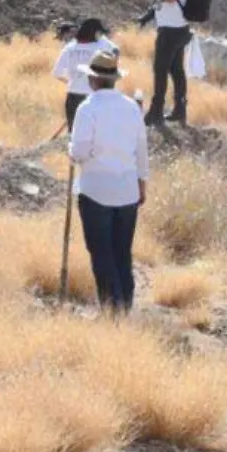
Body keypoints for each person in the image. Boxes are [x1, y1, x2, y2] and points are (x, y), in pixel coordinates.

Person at [67, 50, 149, 314]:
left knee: (102, 253)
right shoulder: (131, 108)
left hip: (95, 191)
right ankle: (125, 306)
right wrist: (142, 184)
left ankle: (110, 310)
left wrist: (72, 151)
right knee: (122, 252)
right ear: (113, 78)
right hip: (127, 190)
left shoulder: (87, 108)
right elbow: (141, 149)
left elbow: (79, 152)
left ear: (92, 79)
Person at [147, 0, 193, 127]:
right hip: (179, 27)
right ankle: (179, 110)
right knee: (176, 70)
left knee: (160, 69)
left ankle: (156, 112)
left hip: (171, 30)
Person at [53, 17, 119, 129]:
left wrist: (72, 82)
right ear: (95, 32)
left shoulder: (70, 48)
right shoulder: (102, 45)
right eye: (99, 32)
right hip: (95, 96)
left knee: (73, 135)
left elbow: (57, 73)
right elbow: (116, 51)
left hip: (73, 97)